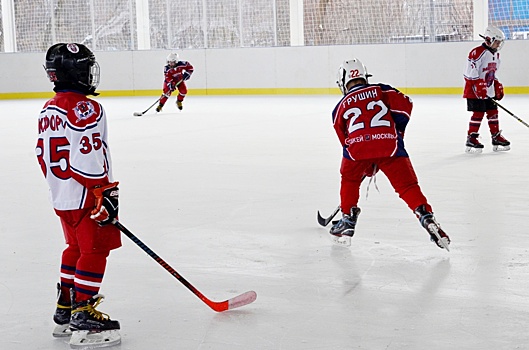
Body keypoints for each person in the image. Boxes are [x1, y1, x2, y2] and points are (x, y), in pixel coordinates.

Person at [36, 43, 121, 345]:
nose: (90, 74)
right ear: (76, 73)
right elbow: (87, 153)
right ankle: (83, 313)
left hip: (62, 195)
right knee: (95, 251)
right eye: (86, 68)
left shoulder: (48, 108)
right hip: (87, 194)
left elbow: (41, 154)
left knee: (74, 246)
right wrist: (103, 192)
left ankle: (65, 309)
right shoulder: (86, 107)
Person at [329, 58, 450, 251]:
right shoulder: (382, 90)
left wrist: (365, 164)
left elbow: (345, 140)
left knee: (349, 179)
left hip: (357, 151)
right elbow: (406, 105)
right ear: (364, 76)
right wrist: (397, 132)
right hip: (390, 146)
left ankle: (348, 218)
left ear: (342, 82)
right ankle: (426, 216)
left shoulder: (339, 107)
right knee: (407, 186)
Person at [463, 25, 510, 153]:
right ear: (489, 39)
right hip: (474, 91)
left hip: (488, 90)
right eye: (497, 42)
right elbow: (468, 73)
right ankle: (471, 138)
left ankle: (496, 137)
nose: (498, 44)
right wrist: (478, 84)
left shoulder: (496, 55)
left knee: (493, 112)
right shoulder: (477, 52)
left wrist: (495, 83)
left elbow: (491, 73)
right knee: (478, 113)